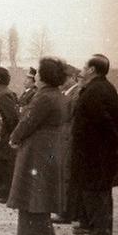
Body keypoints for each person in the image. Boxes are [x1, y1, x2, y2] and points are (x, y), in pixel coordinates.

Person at [6, 57, 68, 235]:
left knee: (32, 192)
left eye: (39, 72)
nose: (36, 75)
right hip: (49, 147)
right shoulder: (58, 95)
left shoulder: (43, 96)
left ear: (45, 75)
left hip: (37, 149)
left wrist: (14, 138)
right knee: (41, 192)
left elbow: (28, 121)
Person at [71, 54, 118, 235]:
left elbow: (103, 121)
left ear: (92, 69)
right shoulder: (101, 88)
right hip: (95, 150)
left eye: (85, 67)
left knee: (97, 190)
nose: (82, 70)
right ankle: (90, 224)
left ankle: (100, 233)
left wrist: (104, 142)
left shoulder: (96, 90)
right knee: (90, 188)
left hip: (96, 152)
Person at [51, 64, 84, 225]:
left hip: (68, 138)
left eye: (64, 78)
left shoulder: (76, 94)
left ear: (72, 78)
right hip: (63, 137)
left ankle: (66, 212)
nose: (61, 81)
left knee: (66, 174)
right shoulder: (67, 93)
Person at [0, 67, 19, 203]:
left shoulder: (3, 94)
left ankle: (4, 193)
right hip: (0, 136)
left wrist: (5, 134)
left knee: (3, 164)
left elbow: (12, 118)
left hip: (4, 137)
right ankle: (1, 192)